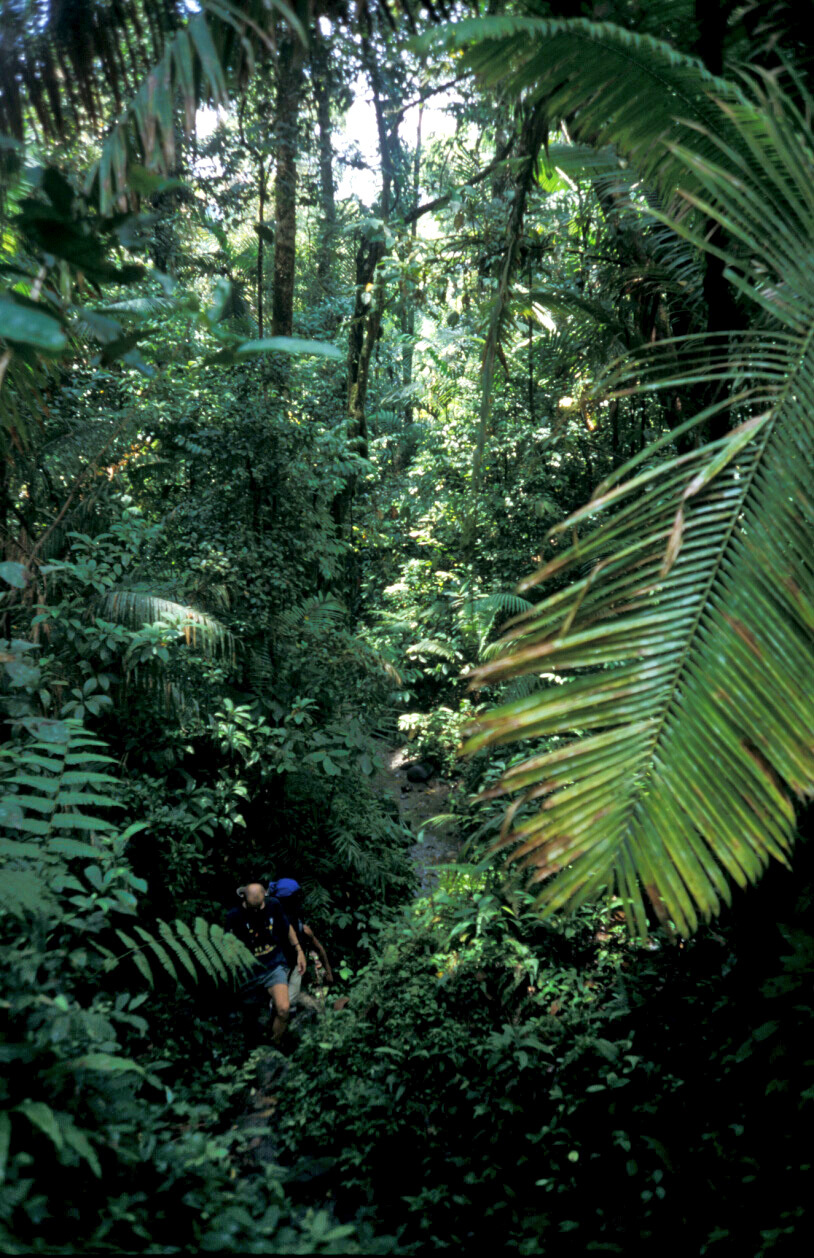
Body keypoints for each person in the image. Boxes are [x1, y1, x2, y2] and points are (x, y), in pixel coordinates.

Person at [226, 881, 306, 1046]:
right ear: (244, 898)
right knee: (250, 1017)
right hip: (249, 969)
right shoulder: (234, 915)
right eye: (253, 907)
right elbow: (228, 944)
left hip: (273, 963)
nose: (258, 910)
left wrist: (299, 950)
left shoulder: (273, 905)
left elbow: (287, 927)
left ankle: (275, 1043)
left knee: (284, 1009)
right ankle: (252, 1047)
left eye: (260, 906)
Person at [267, 878, 334, 1007]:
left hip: (296, 966)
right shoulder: (272, 920)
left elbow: (317, 946)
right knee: (280, 1003)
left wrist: (329, 972)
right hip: (278, 966)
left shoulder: (298, 923)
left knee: (287, 1003)